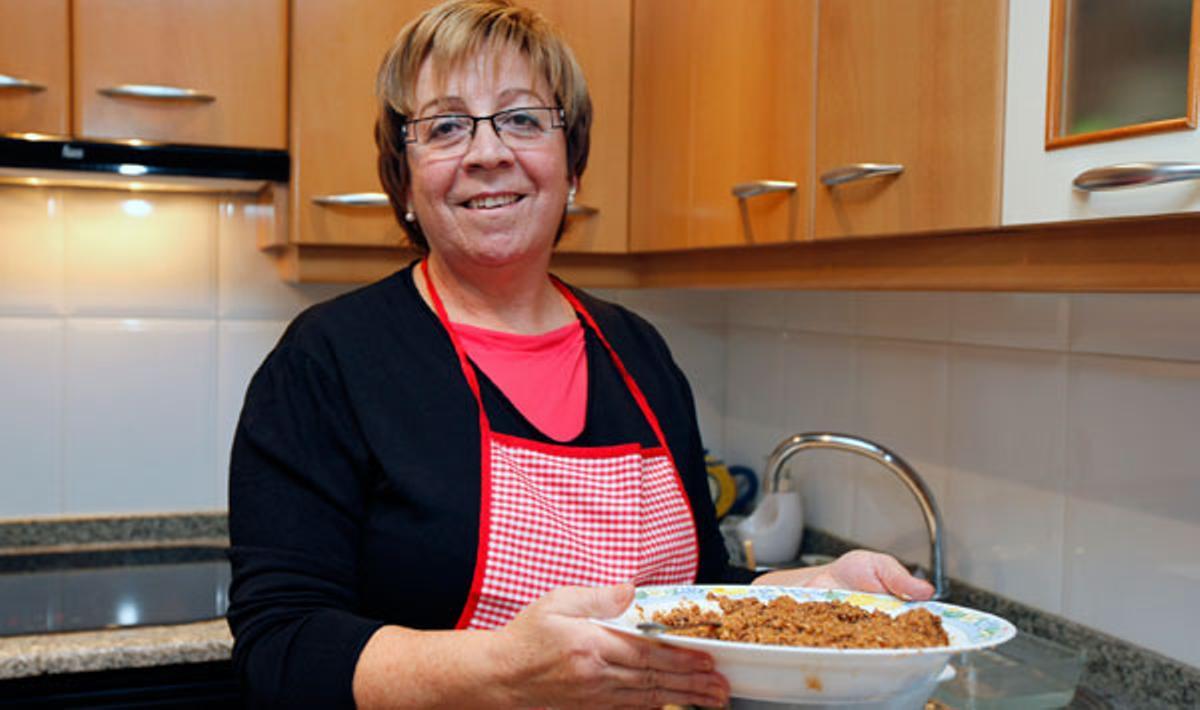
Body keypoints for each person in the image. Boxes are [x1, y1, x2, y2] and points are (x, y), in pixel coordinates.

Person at [226, 1, 934, 707]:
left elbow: (696, 595)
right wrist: (501, 670)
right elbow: (282, 647)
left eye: (523, 119)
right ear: (404, 180)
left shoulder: (638, 352)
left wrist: (811, 596)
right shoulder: (330, 359)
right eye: (444, 127)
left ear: (573, 170)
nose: (487, 153)